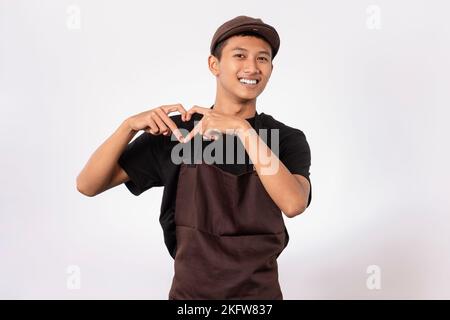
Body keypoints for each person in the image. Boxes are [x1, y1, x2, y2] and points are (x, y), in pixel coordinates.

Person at [76, 15, 312, 300]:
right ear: (214, 64)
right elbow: (88, 185)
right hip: (190, 299)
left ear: (271, 69)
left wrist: (242, 129)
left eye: (262, 59)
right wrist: (127, 126)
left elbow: (294, 203)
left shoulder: (285, 138)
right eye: (240, 55)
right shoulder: (179, 133)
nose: (252, 67)